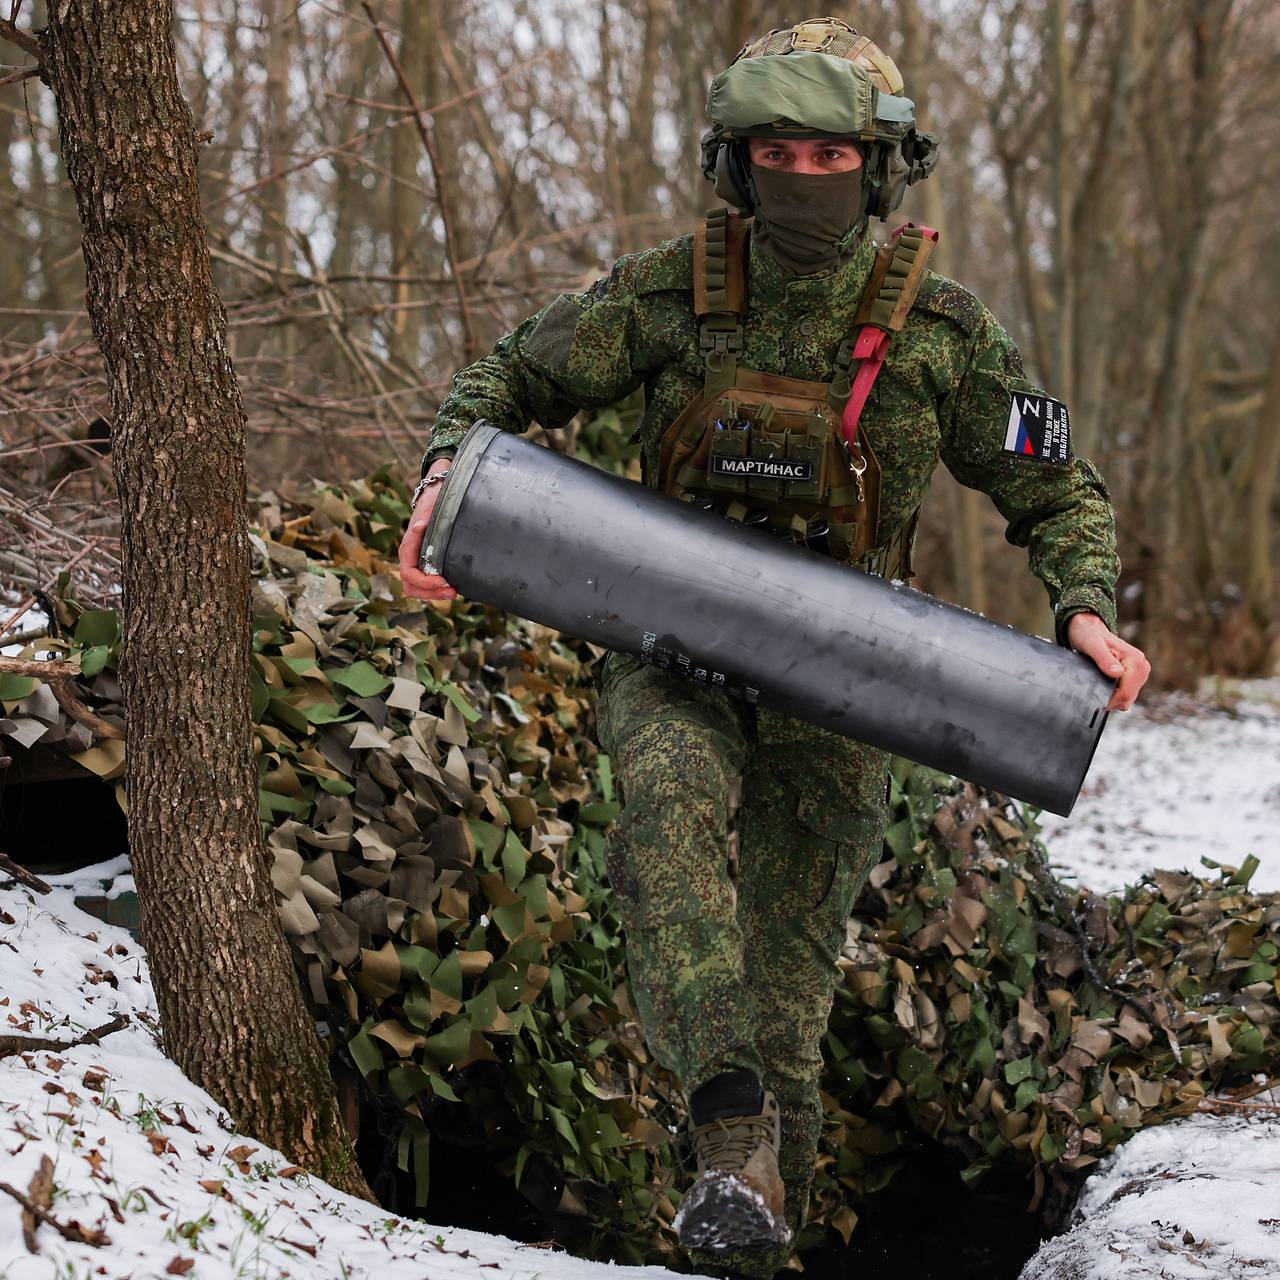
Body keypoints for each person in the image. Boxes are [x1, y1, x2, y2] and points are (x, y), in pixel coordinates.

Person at [398, 16, 1150, 1273]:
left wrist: (1082, 603)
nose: (802, 177)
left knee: (790, 999)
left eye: (829, 155)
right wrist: (440, 479)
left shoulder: (946, 332)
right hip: (668, 644)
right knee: (668, 810)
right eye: (774, 154)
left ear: (881, 165)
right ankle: (726, 1125)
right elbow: (501, 384)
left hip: (847, 676)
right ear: (733, 163)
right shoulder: (666, 292)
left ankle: (752, 1230)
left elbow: (1054, 488)